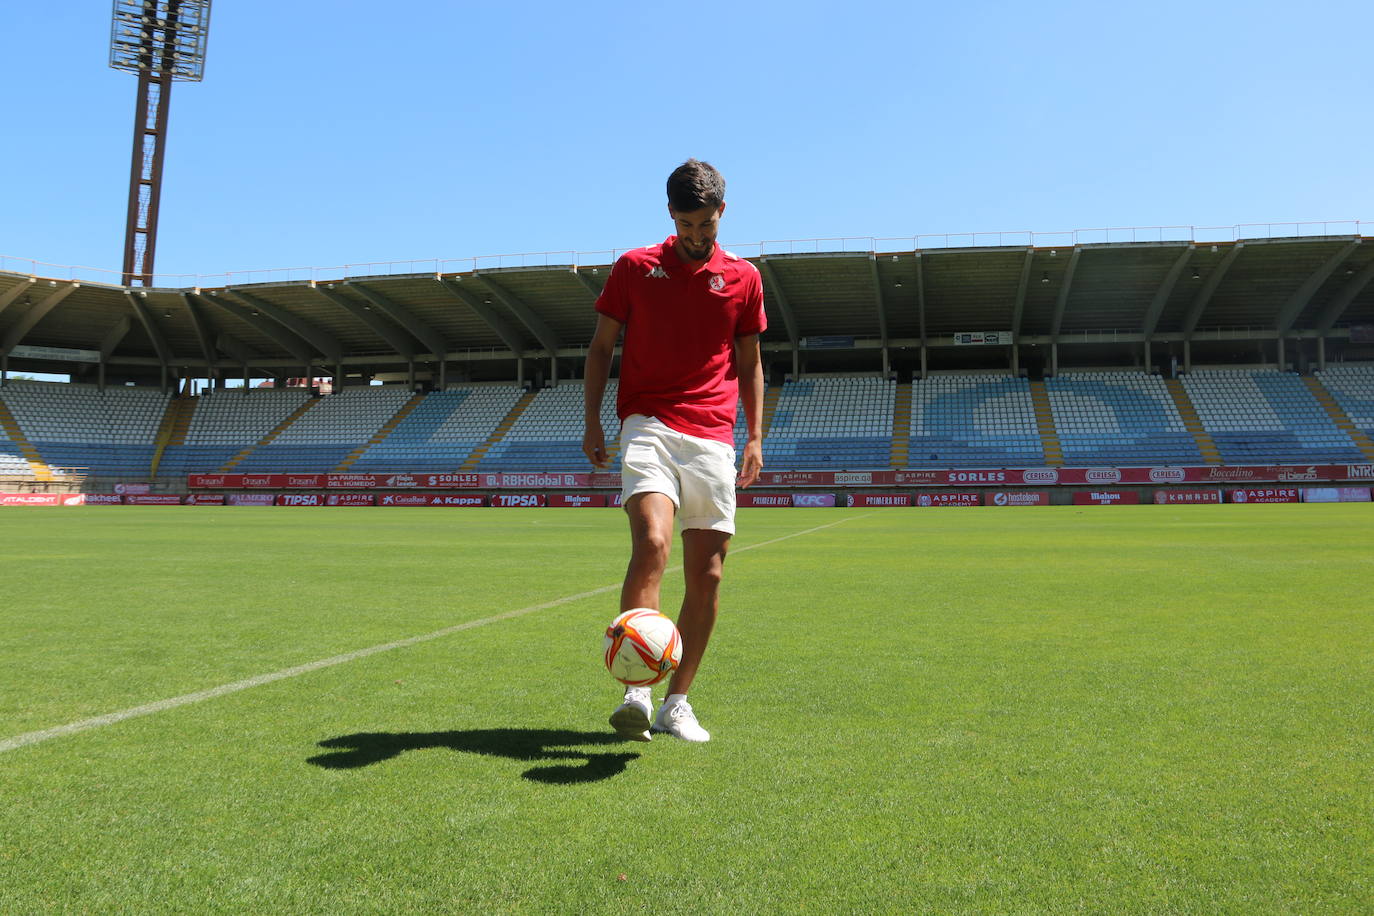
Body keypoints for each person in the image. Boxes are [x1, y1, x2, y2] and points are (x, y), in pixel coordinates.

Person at [582, 158, 765, 743]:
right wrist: (591, 421)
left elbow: (751, 360)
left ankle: (677, 703)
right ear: (670, 216)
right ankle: (638, 688)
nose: (695, 237)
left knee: (707, 575)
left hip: (713, 433)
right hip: (648, 423)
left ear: (722, 214)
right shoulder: (634, 268)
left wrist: (755, 434)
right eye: (686, 226)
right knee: (653, 541)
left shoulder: (744, 277)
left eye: (705, 227)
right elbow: (600, 347)